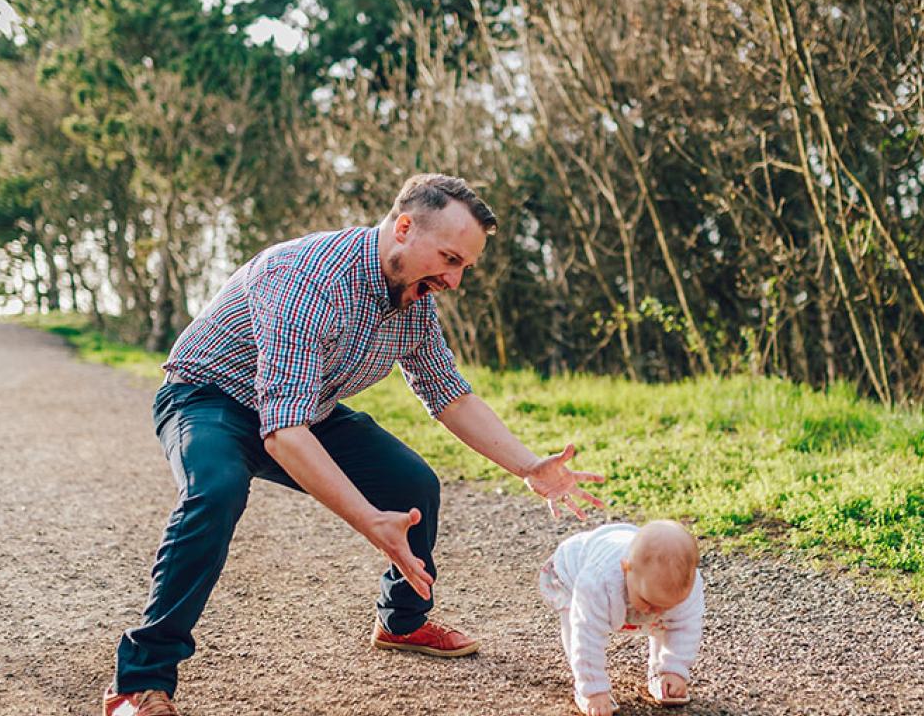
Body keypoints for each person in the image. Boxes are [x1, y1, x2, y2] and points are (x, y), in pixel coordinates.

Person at [103, 174, 606, 716]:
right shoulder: (302, 279)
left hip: (304, 408)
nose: (455, 279)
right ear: (405, 228)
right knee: (217, 490)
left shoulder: (414, 301)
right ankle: (139, 682)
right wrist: (369, 520)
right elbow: (282, 434)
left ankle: (402, 622)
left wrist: (529, 466)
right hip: (209, 399)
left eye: (463, 266)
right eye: (449, 258)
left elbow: (449, 396)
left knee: (413, 483)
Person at [538, 520, 704, 716]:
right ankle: (584, 686)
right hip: (571, 570)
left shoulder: (684, 588)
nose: (655, 612)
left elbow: (685, 628)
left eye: (667, 605)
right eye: (648, 602)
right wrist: (594, 691)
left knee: (669, 620)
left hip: (621, 554)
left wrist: (675, 670)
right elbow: (587, 635)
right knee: (576, 623)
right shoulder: (598, 582)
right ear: (626, 569)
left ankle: (661, 673)